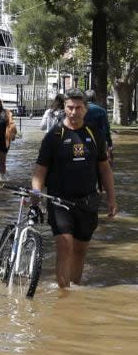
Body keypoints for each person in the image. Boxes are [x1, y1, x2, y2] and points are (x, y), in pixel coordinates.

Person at [30, 88, 117, 289]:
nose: (73, 112)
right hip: (59, 201)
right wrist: (36, 193)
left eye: (78, 108)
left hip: (88, 201)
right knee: (65, 245)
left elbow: (105, 169)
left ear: (85, 109)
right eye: (70, 107)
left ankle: (74, 291)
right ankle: (63, 293)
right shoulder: (54, 136)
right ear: (64, 108)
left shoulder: (94, 134)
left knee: (80, 250)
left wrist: (112, 199)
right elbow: (40, 171)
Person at [84, 89, 114, 164]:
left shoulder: (81, 109)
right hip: (98, 140)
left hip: (82, 138)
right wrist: (109, 143)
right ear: (95, 98)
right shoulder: (101, 110)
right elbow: (105, 129)